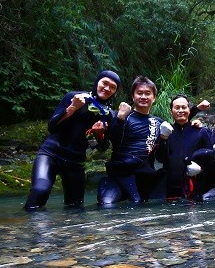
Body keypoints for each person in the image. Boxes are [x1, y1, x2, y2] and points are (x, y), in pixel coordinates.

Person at [24, 70, 121, 210]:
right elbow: (52, 127)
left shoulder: (109, 115)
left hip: (76, 162)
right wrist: (72, 108)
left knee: (76, 207)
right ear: (97, 82)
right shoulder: (74, 97)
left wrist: (99, 134)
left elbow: (102, 148)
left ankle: (70, 232)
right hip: (51, 153)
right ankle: (24, 227)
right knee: (40, 190)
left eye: (112, 87)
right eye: (104, 83)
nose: (107, 88)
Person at [98, 75, 164, 205]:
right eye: (139, 93)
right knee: (107, 205)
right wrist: (120, 118)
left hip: (144, 176)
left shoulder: (158, 123)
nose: (143, 97)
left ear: (154, 98)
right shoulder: (122, 116)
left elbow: (163, 155)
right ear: (133, 97)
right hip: (120, 173)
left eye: (147, 93)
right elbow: (113, 142)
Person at [154, 95, 211, 199]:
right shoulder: (165, 132)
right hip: (170, 188)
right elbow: (159, 159)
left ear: (189, 110)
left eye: (184, 107)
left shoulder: (201, 131)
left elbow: (211, 159)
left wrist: (201, 169)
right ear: (171, 111)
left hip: (196, 188)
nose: (180, 110)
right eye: (177, 107)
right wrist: (163, 139)